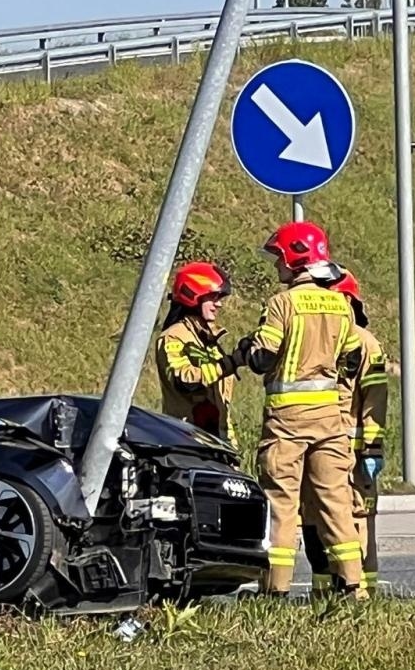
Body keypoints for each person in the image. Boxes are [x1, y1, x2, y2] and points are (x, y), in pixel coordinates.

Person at [240, 221, 366, 600]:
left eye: (279, 256)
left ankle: (274, 589)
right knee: (335, 502)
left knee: (281, 504)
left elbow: (263, 358)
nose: (276, 264)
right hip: (330, 420)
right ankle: (352, 586)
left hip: (287, 422)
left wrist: (247, 348)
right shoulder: (341, 304)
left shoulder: (283, 304)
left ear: (295, 259)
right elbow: (353, 359)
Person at [301, 269, 388, 598]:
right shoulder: (320, 340)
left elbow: (375, 401)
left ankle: (362, 591)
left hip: (353, 453)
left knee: (357, 518)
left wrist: (372, 447)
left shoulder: (365, 343)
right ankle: (323, 590)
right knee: (313, 517)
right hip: (318, 445)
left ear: (349, 301)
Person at [155, 262, 241, 447]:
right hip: (188, 440)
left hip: (218, 442)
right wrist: (229, 364)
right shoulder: (174, 337)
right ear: (193, 295)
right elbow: (184, 381)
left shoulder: (208, 340)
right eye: (213, 296)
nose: (218, 304)